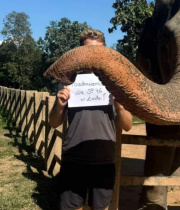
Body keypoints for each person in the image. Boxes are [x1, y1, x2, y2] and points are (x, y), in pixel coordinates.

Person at [49, 28, 132, 210]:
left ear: (105, 52)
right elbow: (54, 123)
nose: (93, 56)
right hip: (74, 158)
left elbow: (127, 125)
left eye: (98, 51)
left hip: (104, 159)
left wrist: (119, 105)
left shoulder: (114, 82)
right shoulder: (69, 82)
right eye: (88, 51)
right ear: (81, 52)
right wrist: (60, 105)